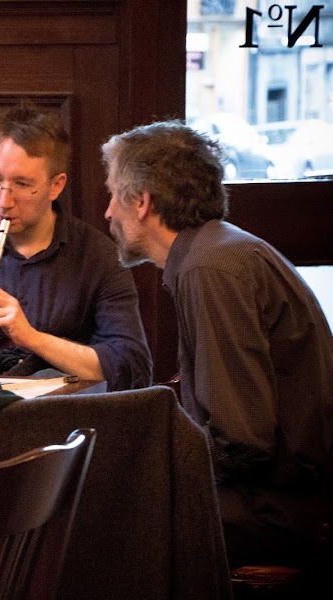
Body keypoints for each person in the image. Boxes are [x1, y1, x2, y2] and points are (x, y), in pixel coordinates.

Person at [101, 120, 333, 569]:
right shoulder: (219, 251)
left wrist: (147, 461)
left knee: (101, 512)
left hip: (281, 510)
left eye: (113, 194)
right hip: (280, 495)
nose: (108, 212)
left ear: (142, 202)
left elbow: (242, 442)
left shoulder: (210, 269)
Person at [0, 103, 152, 391]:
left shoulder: (97, 255)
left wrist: (31, 337)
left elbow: (131, 368)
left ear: (56, 186)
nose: (4, 201)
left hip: (60, 421)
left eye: (21, 184)